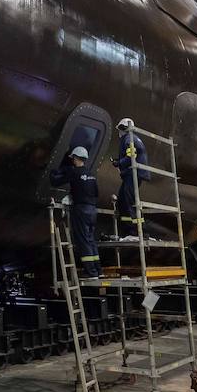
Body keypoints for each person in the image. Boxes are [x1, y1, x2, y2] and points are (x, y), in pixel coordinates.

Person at [50, 146, 101, 281]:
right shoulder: (91, 175)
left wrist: (52, 172)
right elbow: (96, 193)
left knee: (83, 241)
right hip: (92, 211)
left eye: (73, 158)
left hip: (81, 210)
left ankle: (91, 272)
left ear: (76, 158)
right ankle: (98, 269)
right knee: (91, 240)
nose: (72, 161)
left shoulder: (74, 172)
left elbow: (56, 182)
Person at [111, 118, 149, 224]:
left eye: (120, 129)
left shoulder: (128, 139)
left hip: (133, 173)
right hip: (133, 173)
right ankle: (128, 225)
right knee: (123, 198)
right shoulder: (133, 139)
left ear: (124, 128)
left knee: (129, 199)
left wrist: (118, 163)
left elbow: (131, 156)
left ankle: (138, 228)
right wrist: (119, 161)